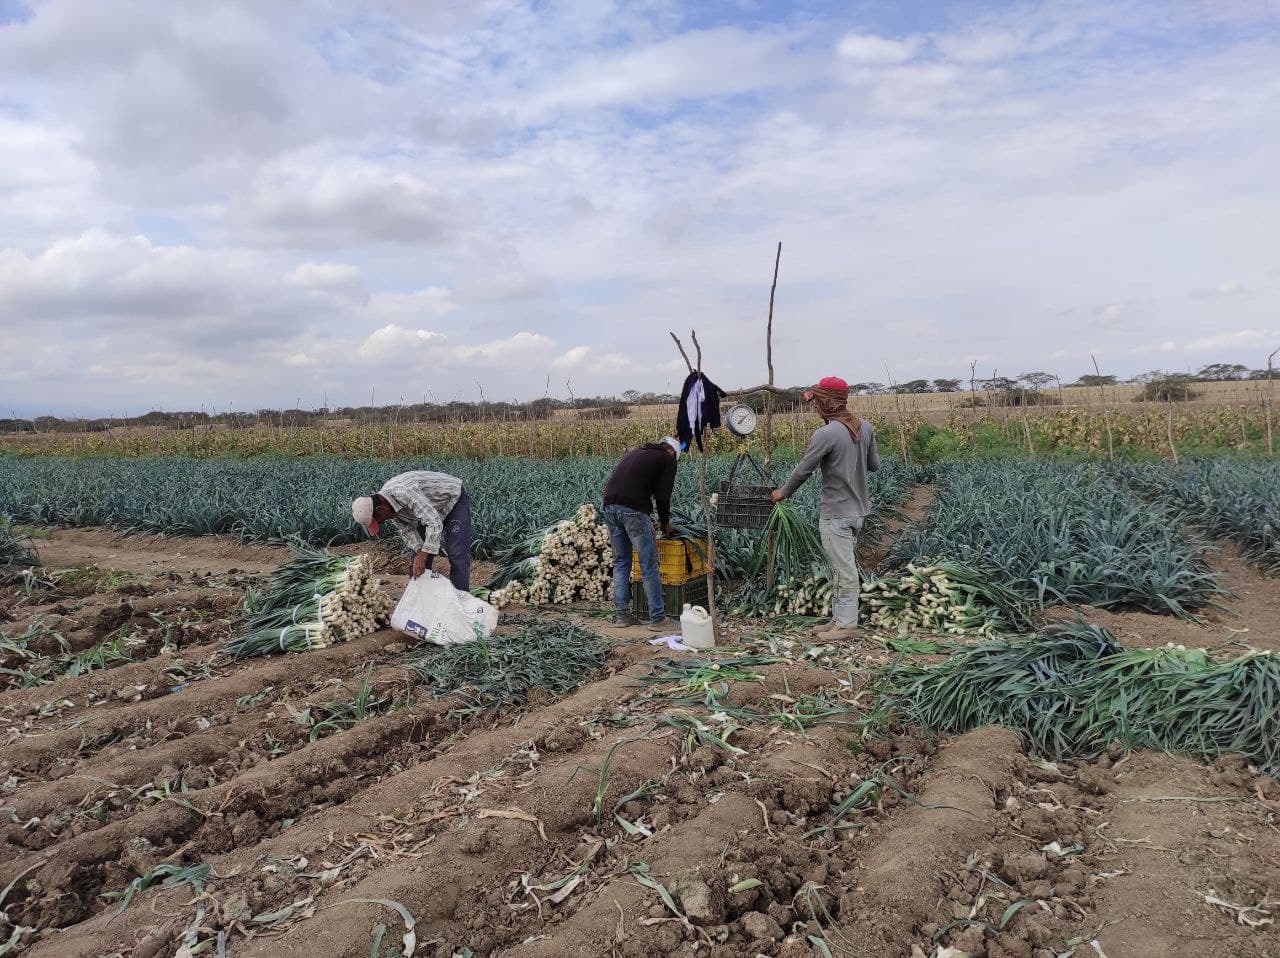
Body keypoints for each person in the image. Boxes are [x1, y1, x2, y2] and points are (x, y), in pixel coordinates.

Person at [771, 377, 879, 639]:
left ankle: (847, 625)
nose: (815, 407)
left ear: (828, 402)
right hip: (858, 511)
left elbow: (803, 470)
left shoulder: (826, 433)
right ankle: (838, 619)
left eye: (817, 401)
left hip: (836, 513)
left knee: (843, 571)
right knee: (838, 567)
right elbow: (874, 465)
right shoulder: (865, 427)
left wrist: (782, 493)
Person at [602, 437, 681, 629]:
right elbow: (663, 496)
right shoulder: (667, 459)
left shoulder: (636, 452)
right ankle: (658, 618)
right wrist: (665, 523)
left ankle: (622, 617)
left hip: (609, 507)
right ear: (672, 452)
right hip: (633, 511)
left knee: (621, 563)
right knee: (649, 565)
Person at [352, 471, 472, 590]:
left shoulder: (404, 493)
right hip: (428, 509)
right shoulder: (388, 507)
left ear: (380, 509)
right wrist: (420, 551)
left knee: (457, 553)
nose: (381, 523)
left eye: (378, 520)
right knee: (418, 558)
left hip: (451, 498)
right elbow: (406, 530)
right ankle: (421, 598)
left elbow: (433, 522)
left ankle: (460, 599)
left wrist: (423, 554)